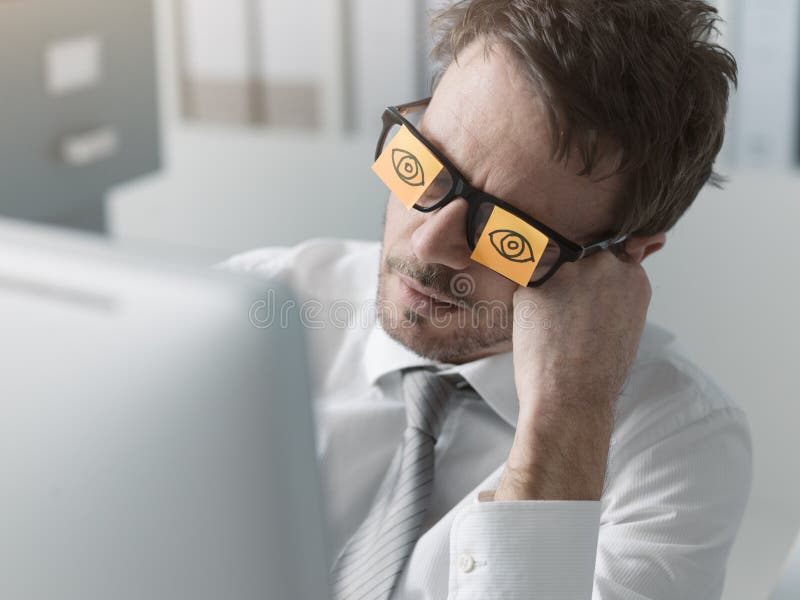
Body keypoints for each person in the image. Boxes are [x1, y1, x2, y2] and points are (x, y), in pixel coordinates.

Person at [222, 1, 751, 598]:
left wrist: (565, 418)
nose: (429, 243)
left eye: (507, 233)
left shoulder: (677, 447)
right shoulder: (250, 311)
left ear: (623, 258)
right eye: (425, 167)